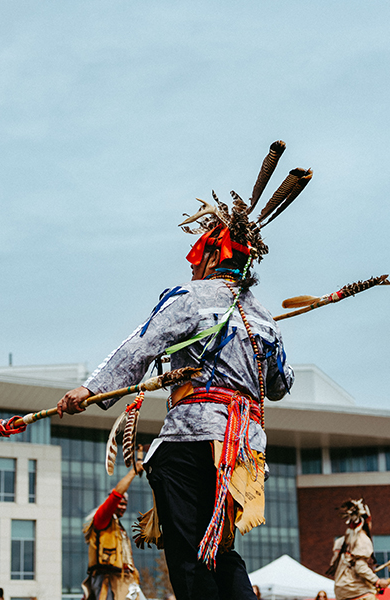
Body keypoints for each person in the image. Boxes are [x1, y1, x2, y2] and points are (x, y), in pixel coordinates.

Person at [56, 142, 306, 600]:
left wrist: (90, 389)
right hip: (241, 454)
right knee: (222, 552)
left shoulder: (190, 299)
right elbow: (279, 385)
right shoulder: (266, 319)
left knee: (189, 555)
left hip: (192, 441)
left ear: (214, 254)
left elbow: (140, 347)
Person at [81, 462, 146, 600]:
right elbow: (117, 494)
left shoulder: (117, 526)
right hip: (108, 579)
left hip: (124, 579)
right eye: (120, 503)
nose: (123, 507)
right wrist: (133, 471)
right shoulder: (102, 518)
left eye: (125, 505)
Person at [328, 499, 390, 600]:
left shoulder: (341, 541)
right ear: (366, 522)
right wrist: (377, 581)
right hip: (358, 592)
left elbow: (334, 564)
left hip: (341, 592)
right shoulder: (362, 539)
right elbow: (360, 567)